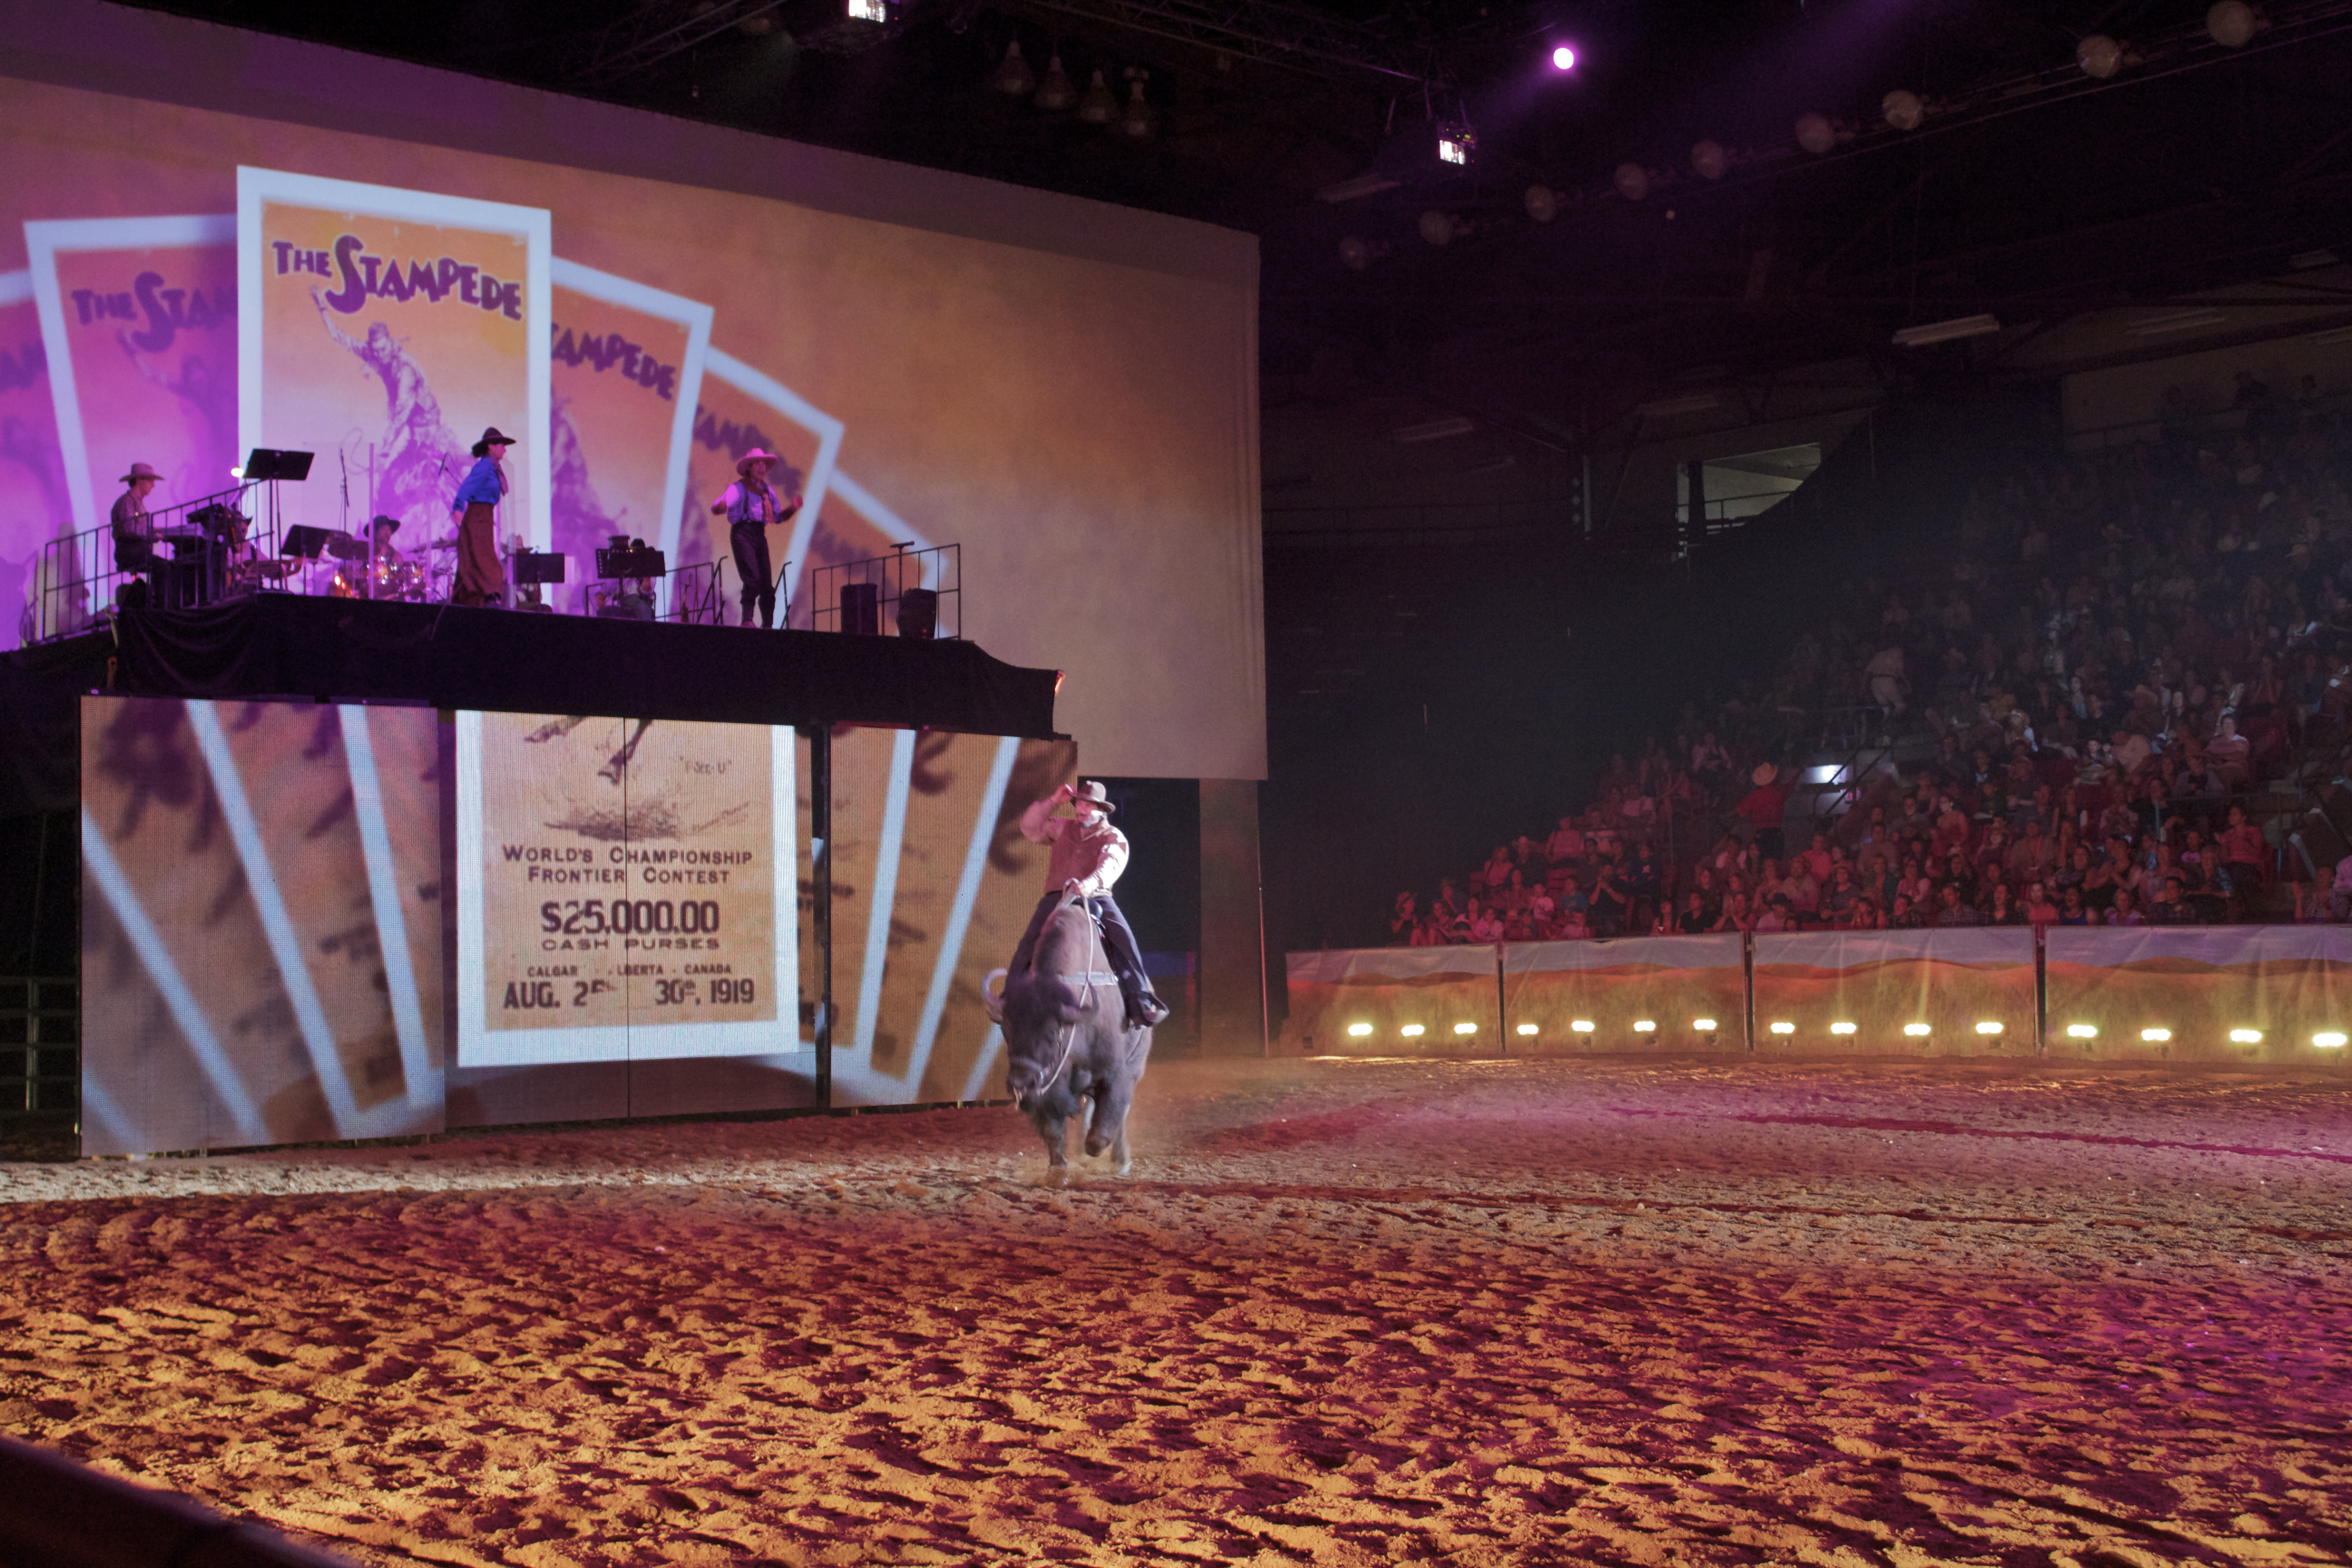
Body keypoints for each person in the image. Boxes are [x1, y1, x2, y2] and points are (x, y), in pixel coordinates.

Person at [1008, 780, 1168, 1029]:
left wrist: (1089, 884)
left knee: (1122, 938)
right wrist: (1053, 801)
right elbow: (1029, 828)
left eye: (1088, 806)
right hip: (1057, 896)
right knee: (1030, 940)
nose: (1081, 810)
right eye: (1079, 804)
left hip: (1096, 896)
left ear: (1102, 810)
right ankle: (1011, 997)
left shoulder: (1113, 836)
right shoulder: (1062, 827)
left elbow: (1111, 864)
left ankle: (1139, 1001)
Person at [710, 447, 801, 629]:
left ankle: (767, 624)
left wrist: (793, 508)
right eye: (757, 464)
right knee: (752, 579)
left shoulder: (768, 492)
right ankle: (747, 620)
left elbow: (777, 518)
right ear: (749, 468)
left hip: (759, 535)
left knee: (766, 584)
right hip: (743, 534)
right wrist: (721, 506)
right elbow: (720, 505)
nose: (761, 468)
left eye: (763, 464)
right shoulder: (738, 488)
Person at [449, 426, 514, 607]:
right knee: (483, 559)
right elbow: (467, 487)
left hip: (484, 517)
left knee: (474, 559)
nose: (505, 449)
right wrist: (458, 508)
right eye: (502, 445)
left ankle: (470, 601)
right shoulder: (485, 466)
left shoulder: (493, 467)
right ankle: (491, 595)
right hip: (477, 516)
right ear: (491, 447)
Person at [110, 461, 162, 607]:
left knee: (165, 566)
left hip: (137, 551)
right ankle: (160, 606)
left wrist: (158, 532)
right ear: (140, 481)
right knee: (164, 568)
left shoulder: (136, 503)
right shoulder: (126, 503)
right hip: (130, 552)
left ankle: (157, 603)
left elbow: (138, 528)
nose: (153, 485)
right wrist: (153, 535)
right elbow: (130, 529)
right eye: (151, 481)